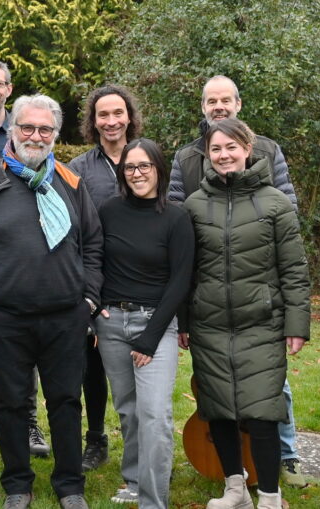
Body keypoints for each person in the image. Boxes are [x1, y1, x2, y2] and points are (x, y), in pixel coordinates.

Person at [0, 93, 103, 509]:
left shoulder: (70, 181)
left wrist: (87, 300)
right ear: (12, 130)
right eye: (28, 128)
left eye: (45, 129)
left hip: (65, 318)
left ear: (55, 134)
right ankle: (17, 484)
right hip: (4, 320)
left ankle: (70, 486)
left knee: (66, 403)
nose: (36, 136)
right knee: (12, 404)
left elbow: (94, 245)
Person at [168, 75, 304, 486]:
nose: (219, 106)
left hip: (257, 301)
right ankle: (233, 484)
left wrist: (295, 321)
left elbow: (291, 252)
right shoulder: (187, 163)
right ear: (203, 107)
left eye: (225, 99)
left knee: (267, 397)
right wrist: (185, 318)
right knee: (218, 401)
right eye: (212, 100)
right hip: (211, 306)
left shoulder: (269, 166)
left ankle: (285, 462)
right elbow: (178, 233)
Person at [95, 138, 194, 508]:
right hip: (112, 324)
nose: (137, 174)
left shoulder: (177, 217)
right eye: (130, 167)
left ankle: (153, 500)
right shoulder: (108, 210)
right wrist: (96, 307)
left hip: (156, 323)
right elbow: (93, 259)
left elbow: (181, 280)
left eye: (144, 166)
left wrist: (151, 338)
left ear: (159, 170)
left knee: (154, 413)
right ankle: (135, 481)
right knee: (128, 410)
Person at [0, 58, 49, 458]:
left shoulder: (21, 132)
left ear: (9, 89)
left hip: (16, 256)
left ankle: (30, 424)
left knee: (24, 352)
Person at [68, 84, 143, 471]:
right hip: (96, 280)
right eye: (103, 115)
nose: (111, 121)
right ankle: (95, 437)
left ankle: (142, 442)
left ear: (129, 116)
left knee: (141, 366)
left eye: (118, 113)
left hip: (142, 280)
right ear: (92, 121)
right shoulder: (79, 168)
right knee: (91, 365)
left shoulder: (146, 158)